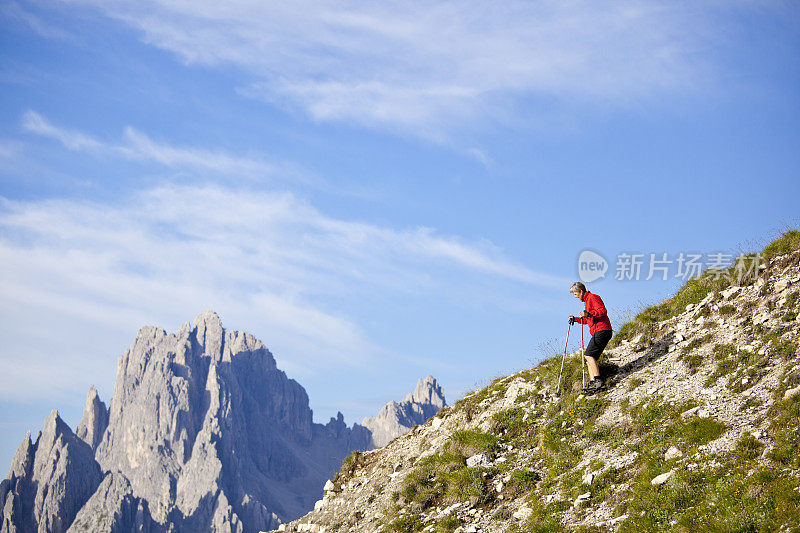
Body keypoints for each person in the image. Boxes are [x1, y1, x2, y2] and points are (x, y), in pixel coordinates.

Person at [568, 282, 613, 392]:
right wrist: (576, 319)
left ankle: (598, 381)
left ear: (581, 291)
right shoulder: (587, 301)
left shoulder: (593, 297)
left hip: (602, 330)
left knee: (588, 355)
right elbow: (588, 320)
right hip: (599, 331)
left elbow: (603, 311)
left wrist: (588, 313)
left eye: (575, 294)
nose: (575, 297)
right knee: (588, 358)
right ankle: (593, 382)